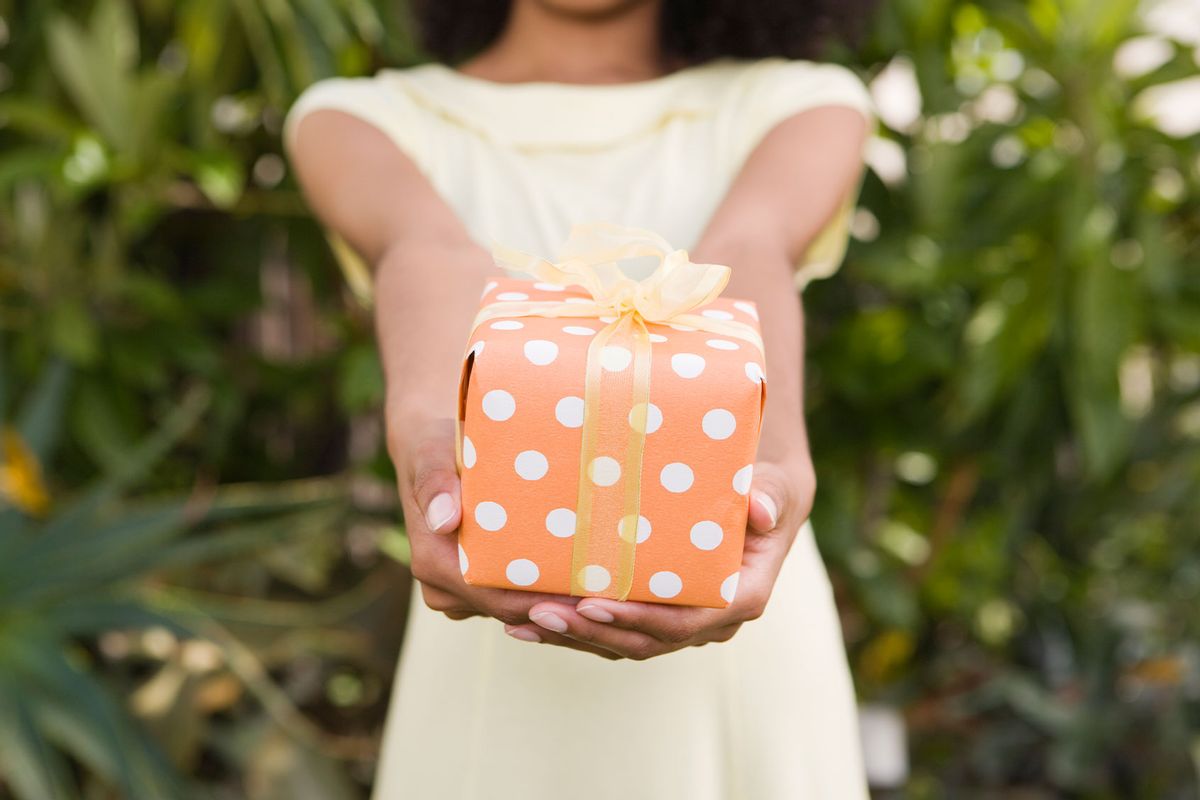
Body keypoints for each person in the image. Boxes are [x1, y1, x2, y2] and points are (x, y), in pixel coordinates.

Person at [285, 0, 876, 796]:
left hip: (737, 601)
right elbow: (429, 252)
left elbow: (747, 249)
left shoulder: (801, 104)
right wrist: (429, 432)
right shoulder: (357, 119)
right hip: (494, 629)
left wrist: (773, 461)